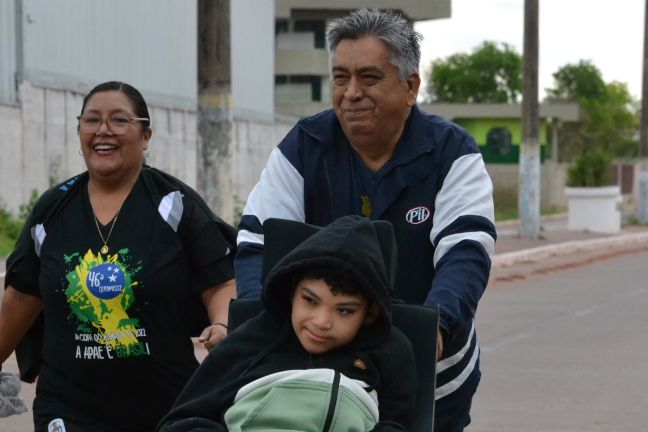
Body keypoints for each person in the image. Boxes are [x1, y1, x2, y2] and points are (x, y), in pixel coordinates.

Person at [234, 9, 496, 431]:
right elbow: (257, 243)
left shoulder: (452, 151)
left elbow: (466, 250)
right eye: (341, 78)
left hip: (429, 377)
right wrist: (254, 320)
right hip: (314, 377)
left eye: (369, 77)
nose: (351, 92)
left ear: (410, 87)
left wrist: (438, 326)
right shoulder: (304, 146)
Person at [0, 81, 237, 431]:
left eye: (120, 120)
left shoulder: (174, 205)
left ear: (145, 135)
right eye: (91, 120)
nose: (103, 130)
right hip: (67, 407)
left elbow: (219, 282)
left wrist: (222, 325)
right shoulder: (53, 210)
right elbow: (21, 296)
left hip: (165, 407)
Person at [158, 215, 416, 431]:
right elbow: (182, 421)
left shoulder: (389, 351)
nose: (322, 322)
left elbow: (398, 424)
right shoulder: (252, 340)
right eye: (310, 301)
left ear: (370, 314)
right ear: (292, 293)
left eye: (345, 311)